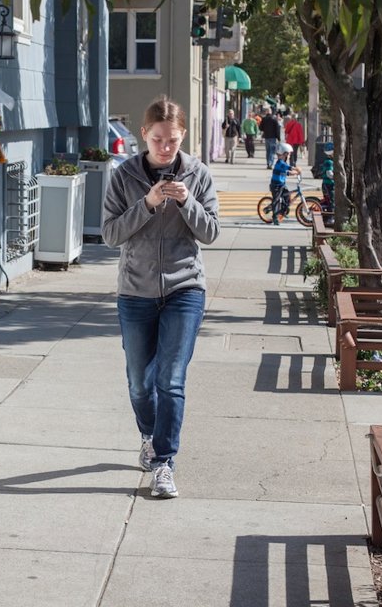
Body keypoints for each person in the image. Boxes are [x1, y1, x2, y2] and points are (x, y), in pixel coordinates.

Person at [101, 95, 220, 499]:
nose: (165, 148)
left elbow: (211, 233)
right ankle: (149, 436)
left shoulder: (198, 175)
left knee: (171, 379)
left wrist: (187, 202)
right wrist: (148, 204)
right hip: (135, 291)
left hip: (186, 289)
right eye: (157, 140)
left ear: (182, 135)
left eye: (172, 140)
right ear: (144, 136)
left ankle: (164, 462)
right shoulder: (124, 176)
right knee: (139, 383)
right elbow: (111, 234)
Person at [270, 142, 300, 224]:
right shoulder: (280, 163)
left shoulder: (283, 163)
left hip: (282, 185)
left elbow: (286, 173)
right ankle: (275, 217)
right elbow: (287, 168)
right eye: (288, 154)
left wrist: (295, 173)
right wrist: (296, 169)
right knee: (276, 200)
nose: (289, 156)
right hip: (276, 185)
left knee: (287, 196)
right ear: (283, 154)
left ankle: (283, 211)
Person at [321, 147, 335, 224]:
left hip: (327, 183)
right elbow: (329, 174)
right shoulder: (329, 162)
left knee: (329, 200)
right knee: (331, 201)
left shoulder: (328, 161)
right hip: (329, 184)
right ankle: (330, 218)